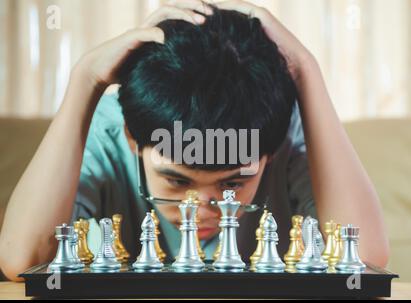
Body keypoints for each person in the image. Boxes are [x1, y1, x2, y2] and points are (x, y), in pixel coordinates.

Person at [0, 0, 389, 282]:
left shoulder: (282, 132)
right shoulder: (107, 127)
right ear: (132, 137)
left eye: (233, 183)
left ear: (268, 154)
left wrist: (306, 70)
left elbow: (366, 259)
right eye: (177, 180)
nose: (200, 209)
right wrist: (85, 79)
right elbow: (23, 260)